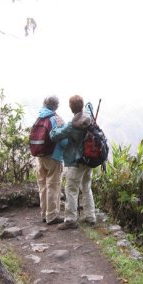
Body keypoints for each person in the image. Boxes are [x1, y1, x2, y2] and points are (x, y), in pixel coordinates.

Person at [50, 95, 96, 230]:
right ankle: (90, 217)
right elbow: (90, 106)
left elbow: (55, 136)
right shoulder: (88, 118)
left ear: (71, 108)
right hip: (89, 160)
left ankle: (70, 220)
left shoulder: (72, 125)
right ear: (81, 106)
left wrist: (58, 126)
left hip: (76, 162)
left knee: (71, 189)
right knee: (86, 187)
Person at [35, 95, 66, 225]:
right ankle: (52, 216)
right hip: (53, 156)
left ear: (44, 103)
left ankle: (44, 214)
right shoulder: (55, 119)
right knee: (53, 185)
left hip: (39, 156)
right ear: (56, 106)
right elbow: (64, 141)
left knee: (42, 185)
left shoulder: (39, 117)